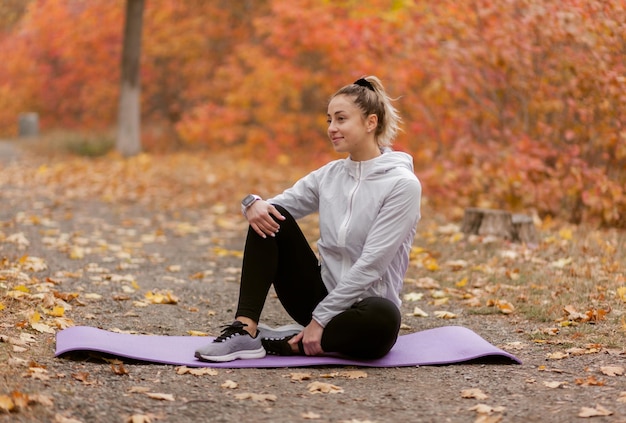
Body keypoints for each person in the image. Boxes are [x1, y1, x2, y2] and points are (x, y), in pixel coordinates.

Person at [195, 76, 421, 362]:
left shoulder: (402, 185)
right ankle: (246, 330)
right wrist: (250, 203)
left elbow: (372, 264)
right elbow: (276, 206)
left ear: (370, 122)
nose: (331, 128)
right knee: (268, 217)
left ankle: (294, 342)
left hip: (364, 310)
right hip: (316, 297)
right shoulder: (330, 174)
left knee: (385, 319)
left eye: (341, 119)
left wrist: (321, 321)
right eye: (329, 120)